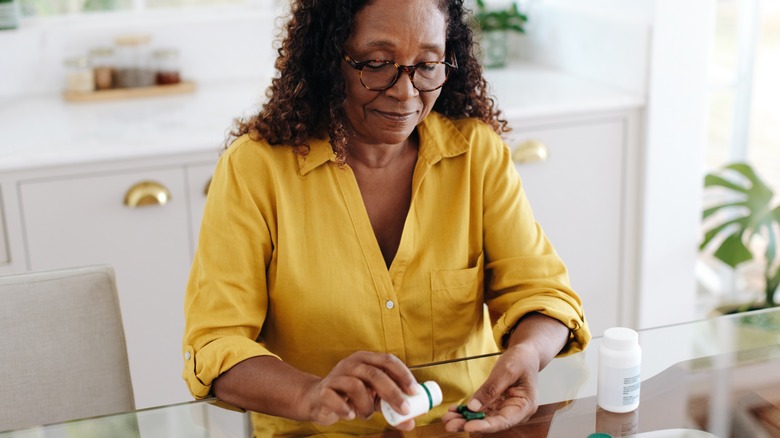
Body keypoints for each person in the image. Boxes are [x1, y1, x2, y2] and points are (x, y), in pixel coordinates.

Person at [182, 0, 591, 435]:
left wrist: (527, 353)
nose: (406, 92)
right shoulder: (256, 169)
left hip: (457, 428)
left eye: (428, 64)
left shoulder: (477, 154)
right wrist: (311, 393)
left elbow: (544, 294)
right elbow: (215, 345)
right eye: (377, 63)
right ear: (328, 58)